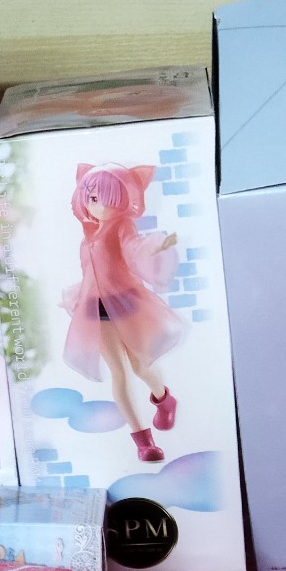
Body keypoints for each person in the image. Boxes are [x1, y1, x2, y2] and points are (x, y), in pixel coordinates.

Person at [61, 164, 185, 462]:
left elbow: (134, 249)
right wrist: (75, 297)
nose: (99, 205)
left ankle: (164, 400)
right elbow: (91, 275)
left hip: (127, 303)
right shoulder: (88, 236)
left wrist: (155, 248)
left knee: (140, 366)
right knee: (119, 373)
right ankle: (144, 442)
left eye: (107, 198)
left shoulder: (121, 225)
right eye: (92, 198)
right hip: (96, 308)